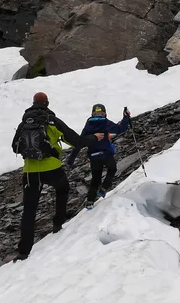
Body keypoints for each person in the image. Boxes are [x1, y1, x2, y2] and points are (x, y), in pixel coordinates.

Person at [11, 92, 104, 260]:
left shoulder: (24, 123)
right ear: (47, 103)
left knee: (29, 210)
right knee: (62, 189)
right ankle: (58, 223)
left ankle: (23, 251)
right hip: (52, 168)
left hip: (30, 172)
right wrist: (95, 138)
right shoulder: (52, 121)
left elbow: (15, 147)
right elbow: (77, 141)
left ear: (33, 103)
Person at [65, 103, 132, 209]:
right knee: (112, 169)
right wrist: (126, 117)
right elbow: (120, 129)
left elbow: (78, 143)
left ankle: (90, 202)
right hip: (106, 154)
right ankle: (104, 188)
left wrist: (71, 160)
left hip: (94, 156)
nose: (99, 115)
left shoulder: (88, 125)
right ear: (105, 114)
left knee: (95, 179)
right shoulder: (105, 122)